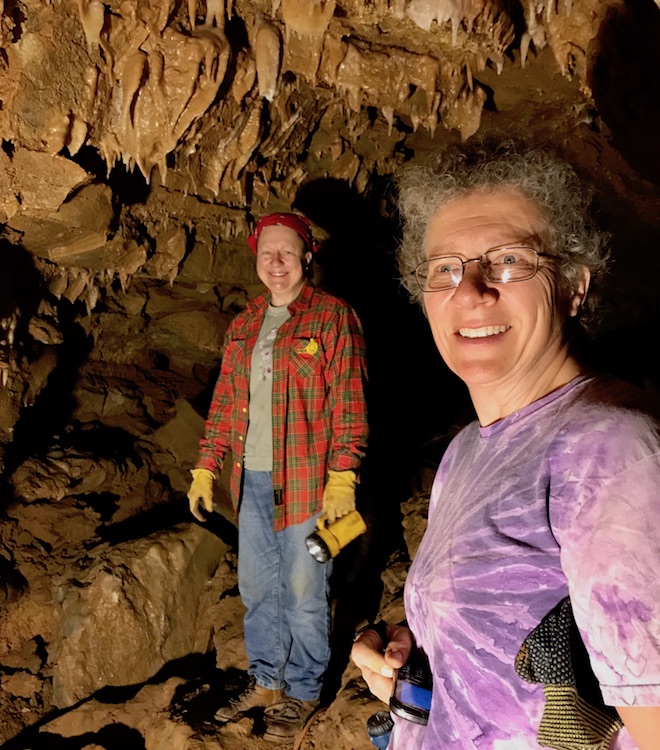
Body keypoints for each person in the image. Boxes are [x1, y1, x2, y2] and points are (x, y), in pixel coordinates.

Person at [351, 136, 660, 749]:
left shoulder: (608, 452)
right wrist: (409, 655)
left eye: (510, 261)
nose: (470, 291)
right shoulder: (469, 450)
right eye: (445, 268)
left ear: (574, 285)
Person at [188, 212, 368, 741]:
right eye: (268, 252)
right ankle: (266, 678)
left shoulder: (334, 317)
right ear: (256, 257)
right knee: (258, 587)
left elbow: (351, 404)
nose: (277, 262)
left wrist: (344, 476)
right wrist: (205, 465)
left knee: (304, 589)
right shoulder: (243, 325)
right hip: (253, 483)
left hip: (311, 482)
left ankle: (304, 689)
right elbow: (224, 403)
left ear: (307, 255)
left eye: (287, 252)